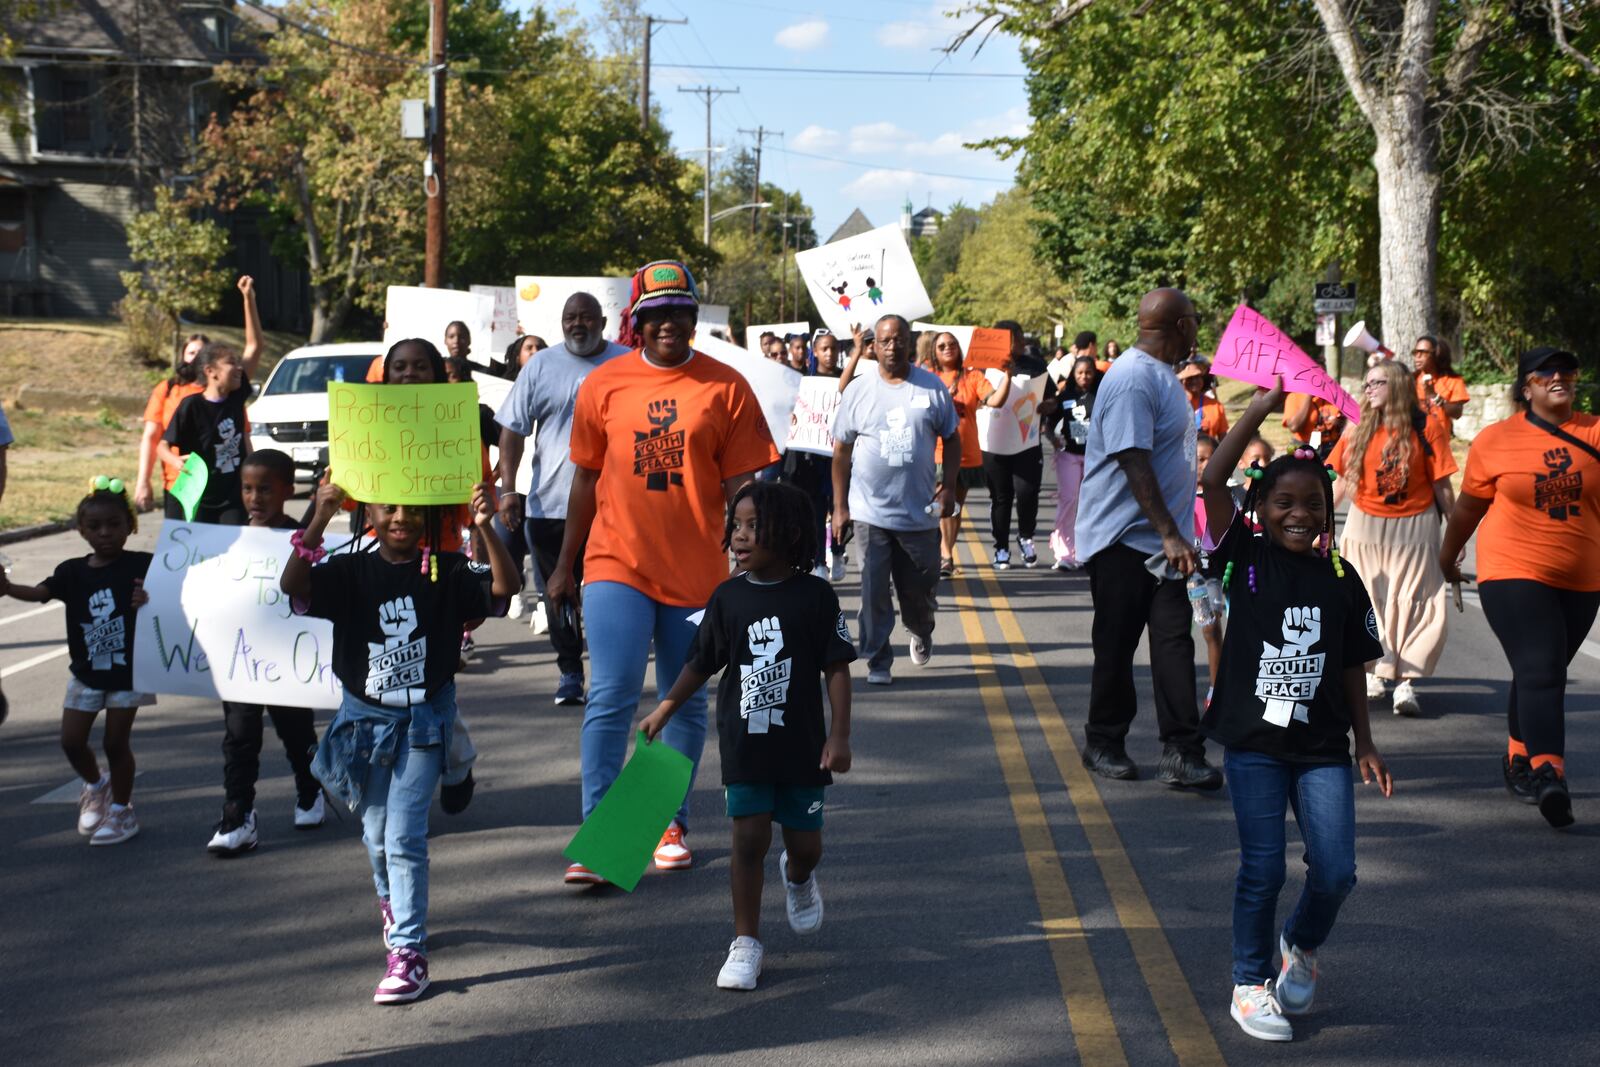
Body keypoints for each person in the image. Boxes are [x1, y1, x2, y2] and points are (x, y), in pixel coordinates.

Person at [546, 261, 778, 884]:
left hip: (699, 572)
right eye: (656, 312)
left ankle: (663, 823)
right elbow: (585, 480)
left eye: (679, 310)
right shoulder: (605, 384)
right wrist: (565, 565)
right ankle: (602, 838)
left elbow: (743, 489)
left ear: (694, 317)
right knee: (612, 696)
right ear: (638, 321)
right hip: (616, 562)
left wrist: (754, 562)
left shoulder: (726, 387)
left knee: (681, 701)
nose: (668, 322)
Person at [1198, 378, 1392, 1044]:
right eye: (1283, 502)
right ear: (1262, 505)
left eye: (1312, 503)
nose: (1298, 514)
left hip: (1321, 748)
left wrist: (1365, 742)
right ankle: (1249, 982)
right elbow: (1212, 482)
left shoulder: (1340, 575)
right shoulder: (1244, 555)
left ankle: (1300, 943)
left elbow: (1350, 665)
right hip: (1252, 742)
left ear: (1327, 512)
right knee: (1264, 866)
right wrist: (1256, 410)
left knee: (1336, 870)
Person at [283, 479, 518, 1004]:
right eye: (388, 507)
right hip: (363, 725)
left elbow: (505, 588)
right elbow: (293, 586)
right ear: (367, 509)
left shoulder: (449, 569)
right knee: (375, 832)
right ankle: (393, 904)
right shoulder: (349, 570)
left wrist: (484, 525)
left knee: (404, 835)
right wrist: (319, 517)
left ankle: (409, 954)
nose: (401, 518)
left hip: (423, 724)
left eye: (414, 509)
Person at [640, 482, 854, 991]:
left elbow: (838, 669)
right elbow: (700, 662)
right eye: (735, 524)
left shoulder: (816, 596)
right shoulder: (728, 598)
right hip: (746, 746)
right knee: (748, 840)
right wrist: (664, 710)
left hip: (803, 747)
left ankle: (798, 878)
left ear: (791, 532)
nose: (739, 535)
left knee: (807, 846)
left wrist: (840, 736)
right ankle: (746, 942)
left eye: (753, 526)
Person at [1440, 346, 1596, 828]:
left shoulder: (1595, 431)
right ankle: (1549, 771)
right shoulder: (1496, 441)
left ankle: (1516, 753)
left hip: (1583, 576)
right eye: (1547, 371)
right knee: (1542, 668)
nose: (1560, 376)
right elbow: (1468, 507)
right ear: (1526, 385)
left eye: (1568, 370)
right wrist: (1448, 555)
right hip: (1512, 571)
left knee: (1540, 669)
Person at [1075, 287, 1222, 788]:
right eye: (1196, 322)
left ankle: (1182, 750)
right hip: (1124, 540)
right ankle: (1103, 741)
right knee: (1116, 645)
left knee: (1174, 643)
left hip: (1165, 543)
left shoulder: (1160, 376)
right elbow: (1132, 458)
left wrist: (1177, 535)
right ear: (1181, 325)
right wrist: (1169, 532)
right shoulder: (1135, 378)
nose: (1198, 331)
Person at [0, 479, 153, 844]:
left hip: (128, 673)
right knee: (71, 741)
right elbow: (40, 593)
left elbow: (177, 595)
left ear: (130, 526)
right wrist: (7, 589)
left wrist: (150, 599)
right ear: (80, 529)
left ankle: (122, 811)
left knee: (117, 744)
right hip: (85, 674)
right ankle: (96, 785)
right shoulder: (71, 572)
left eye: (114, 524)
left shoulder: (142, 565)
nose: (105, 533)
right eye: (95, 526)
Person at [495, 292, 629, 706]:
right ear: (562, 322)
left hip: (617, 508)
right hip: (550, 505)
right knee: (559, 591)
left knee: (612, 595)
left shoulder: (627, 364)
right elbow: (512, 431)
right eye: (570, 317)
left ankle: (609, 675)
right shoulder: (541, 366)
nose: (578, 324)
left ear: (602, 323)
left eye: (586, 318)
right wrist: (509, 489)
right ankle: (570, 671)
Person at [205, 450, 325, 856]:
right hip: (238, 660)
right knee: (239, 738)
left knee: (296, 734)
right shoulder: (227, 533)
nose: (255, 498)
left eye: (266, 490)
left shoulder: (299, 536)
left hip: (286, 661)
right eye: (247, 488)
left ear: (288, 491)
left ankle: (310, 791)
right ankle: (237, 815)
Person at [832, 314, 959, 686]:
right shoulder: (860, 389)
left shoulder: (932, 388)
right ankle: (878, 659)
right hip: (870, 511)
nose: (891, 347)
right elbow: (841, 451)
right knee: (872, 591)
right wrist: (840, 508)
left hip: (919, 514)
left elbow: (952, 438)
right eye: (884, 341)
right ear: (875, 345)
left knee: (918, 590)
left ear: (909, 341)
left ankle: (920, 628)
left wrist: (949, 485)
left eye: (898, 339)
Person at [1328, 360, 1456, 716]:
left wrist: (1457, 538)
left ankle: (1406, 684)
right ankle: (1374, 672)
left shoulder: (1426, 427)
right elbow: (1342, 480)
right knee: (1368, 602)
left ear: (1397, 385)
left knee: (1416, 601)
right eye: (1367, 383)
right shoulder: (1357, 428)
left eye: (1377, 383)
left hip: (1415, 527)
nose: (1368, 389)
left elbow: (1442, 485)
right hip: (1365, 527)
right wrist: (1320, 523)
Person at [135, 277, 263, 512]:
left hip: (229, 493)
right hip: (187, 487)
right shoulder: (177, 395)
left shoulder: (233, 393)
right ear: (209, 369)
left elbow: (254, 347)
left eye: (201, 352)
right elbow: (156, 440)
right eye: (191, 352)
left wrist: (248, 299)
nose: (196, 356)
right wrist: (145, 480)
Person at [931, 330, 1010, 576]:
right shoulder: (927, 378)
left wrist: (1007, 376)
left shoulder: (973, 377)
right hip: (934, 455)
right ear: (934, 351)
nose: (947, 348)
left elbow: (995, 400)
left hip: (965, 455)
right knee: (941, 505)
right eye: (942, 345)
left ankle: (946, 553)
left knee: (954, 507)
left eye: (952, 344)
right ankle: (943, 553)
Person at [157, 342, 252, 524]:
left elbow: (254, 345)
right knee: (201, 551)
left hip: (233, 498)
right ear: (210, 371)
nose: (239, 367)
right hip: (199, 498)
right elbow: (162, 447)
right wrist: (175, 461)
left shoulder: (236, 398)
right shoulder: (191, 406)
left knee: (232, 549)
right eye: (231, 362)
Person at [984, 321, 1053, 569]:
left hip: (1027, 442)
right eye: (1017, 339)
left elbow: (1051, 396)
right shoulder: (984, 367)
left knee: (1027, 493)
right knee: (1001, 498)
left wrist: (1049, 405)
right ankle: (1001, 547)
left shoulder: (1035, 365)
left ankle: (1026, 537)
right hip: (994, 444)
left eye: (1022, 338)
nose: (1022, 343)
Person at [1048, 356, 1099, 570]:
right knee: (1069, 500)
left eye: (1088, 372)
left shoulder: (1101, 395)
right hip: (1068, 455)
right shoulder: (1065, 395)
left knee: (1090, 505)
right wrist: (1053, 438)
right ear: (1073, 374)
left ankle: (1086, 552)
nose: (1083, 377)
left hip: (1094, 457)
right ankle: (1064, 553)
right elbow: (1049, 423)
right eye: (1079, 373)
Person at [1282, 353, 1346, 459]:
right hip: (1303, 447)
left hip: (1331, 447)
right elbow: (1294, 427)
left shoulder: (1334, 396)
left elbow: (1346, 422)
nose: (1319, 379)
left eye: (1322, 375)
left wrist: (1339, 422)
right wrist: (1309, 394)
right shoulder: (1294, 396)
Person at [1412, 335, 1469, 431]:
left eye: (1423, 352)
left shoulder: (1453, 381)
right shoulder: (1410, 380)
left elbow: (1457, 413)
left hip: (1439, 441)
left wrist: (1434, 396)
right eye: (1415, 352)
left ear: (1437, 355)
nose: (1417, 356)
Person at [1179, 359, 1230, 438]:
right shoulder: (1175, 406)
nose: (1194, 381)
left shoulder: (1216, 406)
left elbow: (1223, 437)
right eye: (1189, 378)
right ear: (1182, 382)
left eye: (1197, 377)